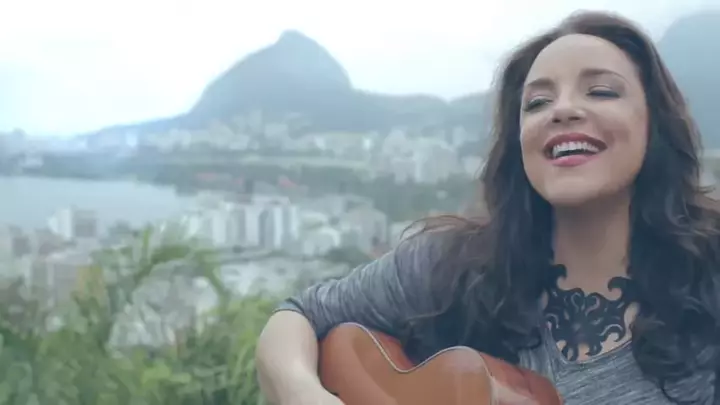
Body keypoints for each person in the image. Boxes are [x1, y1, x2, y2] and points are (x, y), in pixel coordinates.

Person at [255, 10, 720, 405]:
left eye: (600, 91)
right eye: (537, 102)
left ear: (654, 126)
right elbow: (298, 316)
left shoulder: (709, 279)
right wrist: (301, 392)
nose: (562, 110)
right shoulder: (449, 265)